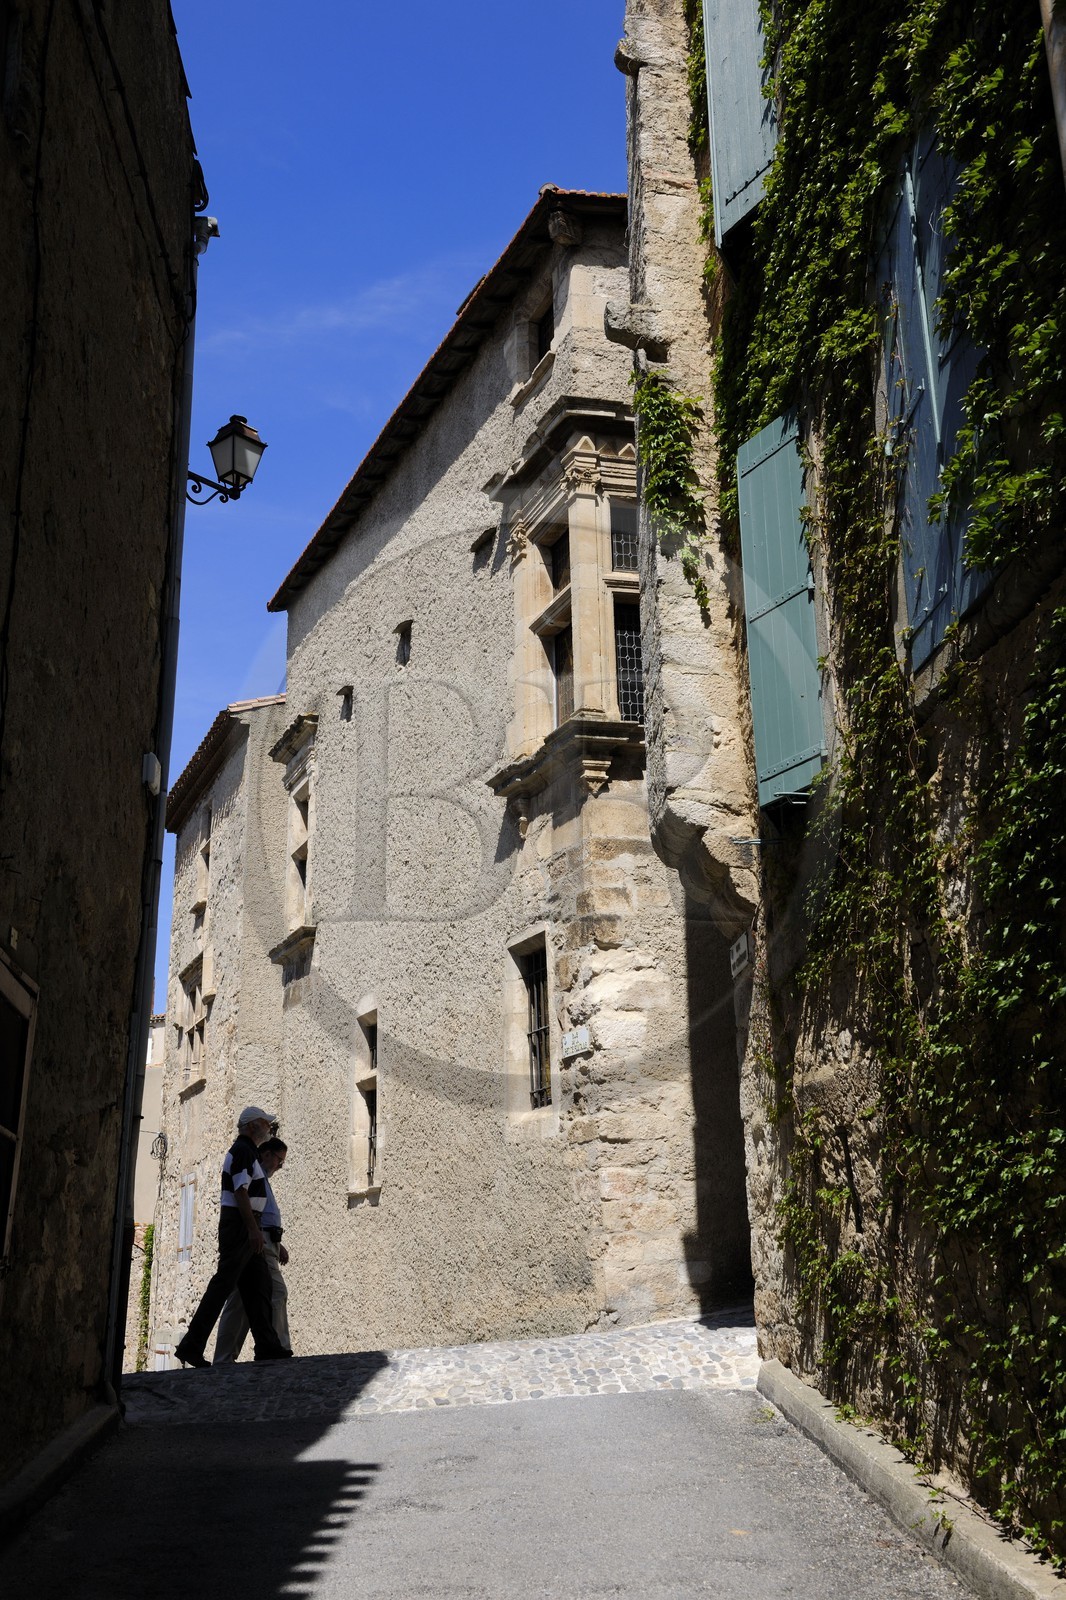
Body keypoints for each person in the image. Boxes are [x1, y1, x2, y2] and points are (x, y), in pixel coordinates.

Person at [174, 1106, 292, 1367]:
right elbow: (240, 1192)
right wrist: (252, 1230)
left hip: (247, 1226)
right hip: (240, 1227)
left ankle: (267, 1347)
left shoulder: (247, 1152)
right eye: (265, 1123)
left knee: (259, 1287)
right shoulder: (242, 1151)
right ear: (251, 1126)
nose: (269, 1128)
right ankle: (191, 1346)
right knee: (222, 1287)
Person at [213, 1136, 290, 1362]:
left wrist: (277, 1242)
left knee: (240, 1302)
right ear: (266, 1154)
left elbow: (262, 1212)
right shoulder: (253, 1171)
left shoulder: (262, 1180)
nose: (280, 1166)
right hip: (259, 1243)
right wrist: (259, 1234)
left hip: (265, 1241)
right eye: (279, 1160)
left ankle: (224, 1357)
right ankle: (278, 1348)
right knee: (276, 1292)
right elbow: (241, 1197)